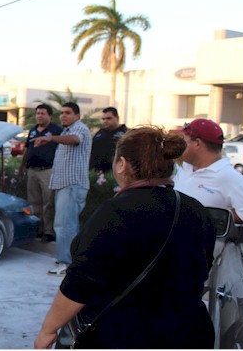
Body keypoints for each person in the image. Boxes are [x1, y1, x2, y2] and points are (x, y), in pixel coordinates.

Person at [34, 125, 215, 349]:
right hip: (189, 333)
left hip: (124, 334)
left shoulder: (115, 212)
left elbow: (80, 282)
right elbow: (202, 271)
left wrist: (47, 330)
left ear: (122, 164)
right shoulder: (197, 210)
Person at [33, 102, 92, 275]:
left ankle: (66, 263)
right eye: (62, 113)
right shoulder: (66, 131)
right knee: (66, 225)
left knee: (65, 225)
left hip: (72, 185)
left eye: (67, 113)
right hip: (63, 185)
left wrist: (50, 138)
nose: (63, 116)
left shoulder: (79, 129)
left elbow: (75, 140)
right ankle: (69, 261)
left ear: (77, 115)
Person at [174, 118, 243, 224]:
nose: (179, 146)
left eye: (183, 141)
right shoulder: (185, 167)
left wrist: (212, 216)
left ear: (197, 143)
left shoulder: (232, 179)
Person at [18, 104, 62, 242]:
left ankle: (49, 231)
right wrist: (21, 167)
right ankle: (38, 229)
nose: (39, 116)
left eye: (43, 113)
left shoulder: (56, 130)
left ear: (50, 116)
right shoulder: (32, 130)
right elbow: (27, 149)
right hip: (32, 170)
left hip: (47, 170)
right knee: (34, 202)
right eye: (38, 113)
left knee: (48, 202)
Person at [89, 107, 128, 173]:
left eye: (109, 118)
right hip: (96, 172)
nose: (105, 121)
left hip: (115, 172)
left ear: (117, 118)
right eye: (103, 119)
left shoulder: (125, 133)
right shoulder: (100, 133)